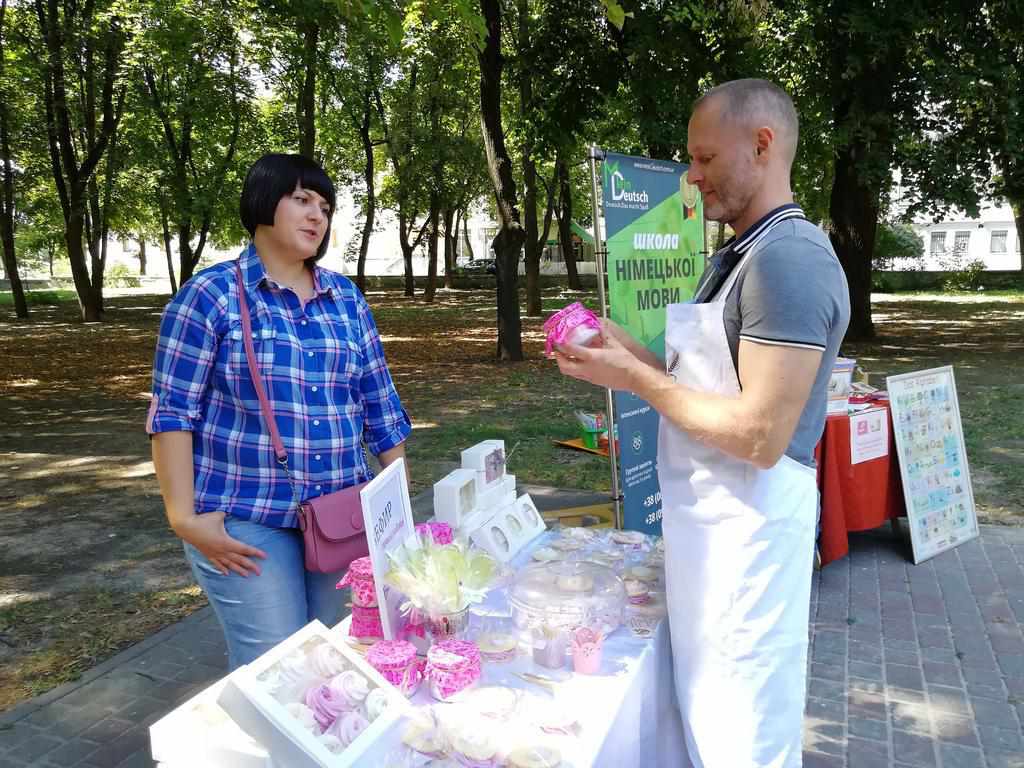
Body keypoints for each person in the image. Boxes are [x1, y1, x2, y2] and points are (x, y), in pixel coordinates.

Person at [555, 79, 850, 766]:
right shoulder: (741, 253)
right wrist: (626, 348)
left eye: (704, 157)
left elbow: (759, 434)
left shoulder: (790, 263)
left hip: (747, 542)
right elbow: (704, 381)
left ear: (762, 144)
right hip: (710, 535)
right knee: (703, 725)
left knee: (740, 738)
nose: (691, 176)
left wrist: (635, 380)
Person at [147, 153, 412, 669]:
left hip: (341, 514)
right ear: (264, 201)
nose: (317, 215)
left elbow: (379, 400)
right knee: (278, 668)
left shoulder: (346, 299)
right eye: (302, 199)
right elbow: (173, 414)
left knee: (345, 654)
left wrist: (394, 508)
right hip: (246, 519)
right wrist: (184, 519)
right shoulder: (210, 295)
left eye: (325, 206)